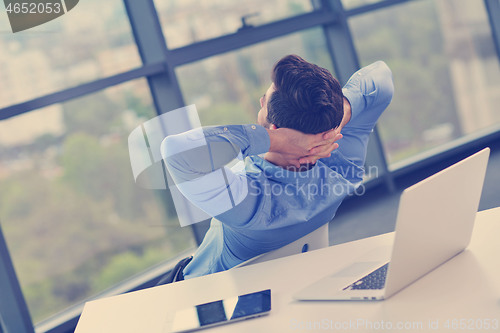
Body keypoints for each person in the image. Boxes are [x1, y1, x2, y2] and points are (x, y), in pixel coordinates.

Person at [159, 55, 394, 283]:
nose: (261, 101)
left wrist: (275, 141)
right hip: (293, 288)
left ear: (274, 127)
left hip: (198, 296)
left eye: (265, 98)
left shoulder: (251, 202)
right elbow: (381, 76)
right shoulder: (345, 167)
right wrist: (341, 113)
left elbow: (176, 152)